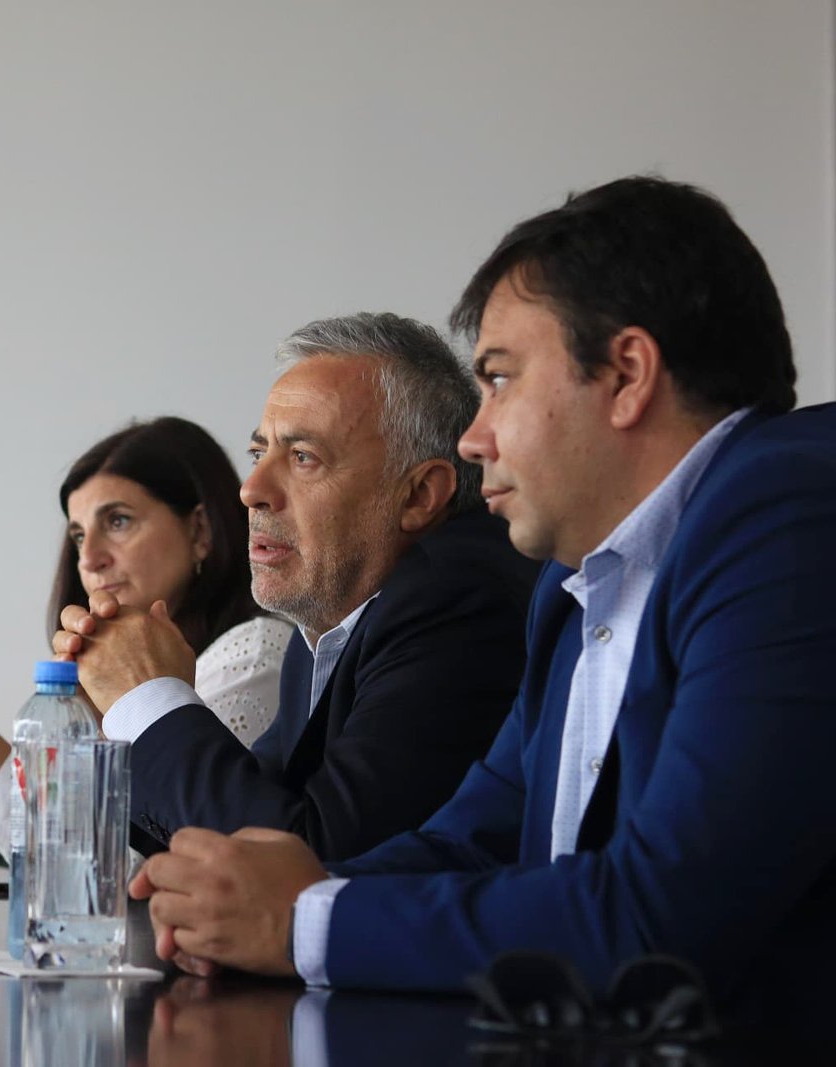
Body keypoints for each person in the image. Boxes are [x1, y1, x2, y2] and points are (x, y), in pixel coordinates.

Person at [121, 176, 836, 1029]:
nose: (473, 436)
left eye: (499, 379)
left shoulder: (788, 510)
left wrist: (303, 922)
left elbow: (666, 915)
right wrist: (250, 902)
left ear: (627, 375)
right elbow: (470, 839)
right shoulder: (573, 588)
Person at [54, 313, 540, 861]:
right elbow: (261, 813)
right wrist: (118, 712)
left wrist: (150, 696)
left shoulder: (457, 604)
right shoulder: (328, 626)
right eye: (259, 453)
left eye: (303, 457)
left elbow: (308, 864)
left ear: (419, 494)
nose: (251, 490)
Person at [0, 416, 294, 853]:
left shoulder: (254, 652)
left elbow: (119, 868)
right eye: (79, 534)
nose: (90, 558)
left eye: (118, 521)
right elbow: (52, 846)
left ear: (200, 531)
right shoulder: (109, 677)